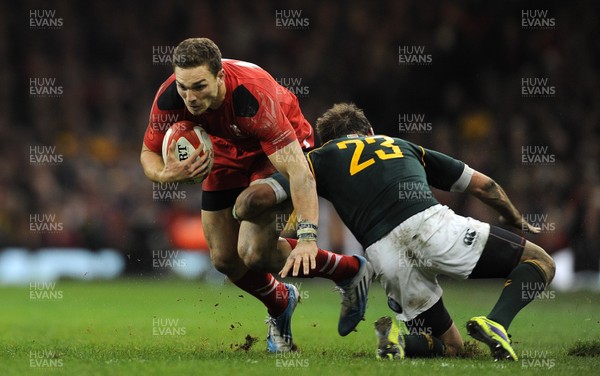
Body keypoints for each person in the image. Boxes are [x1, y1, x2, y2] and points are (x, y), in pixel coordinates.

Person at [140, 39, 371, 352]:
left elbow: (300, 174)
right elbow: (148, 153)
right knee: (224, 258)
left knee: (253, 252)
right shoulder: (170, 97)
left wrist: (307, 237)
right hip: (225, 153)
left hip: (278, 150)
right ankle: (280, 302)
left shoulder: (252, 97)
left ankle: (350, 271)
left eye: (199, 86)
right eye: (184, 87)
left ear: (220, 77)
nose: (190, 98)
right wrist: (166, 174)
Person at [281, 102, 556, 360]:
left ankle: (399, 342)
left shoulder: (319, 157)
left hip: (384, 256)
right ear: (370, 132)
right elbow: (485, 186)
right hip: (430, 228)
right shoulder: (401, 145)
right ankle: (496, 322)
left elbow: (280, 187)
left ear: (328, 140)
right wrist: (513, 216)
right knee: (540, 261)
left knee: (451, 346)